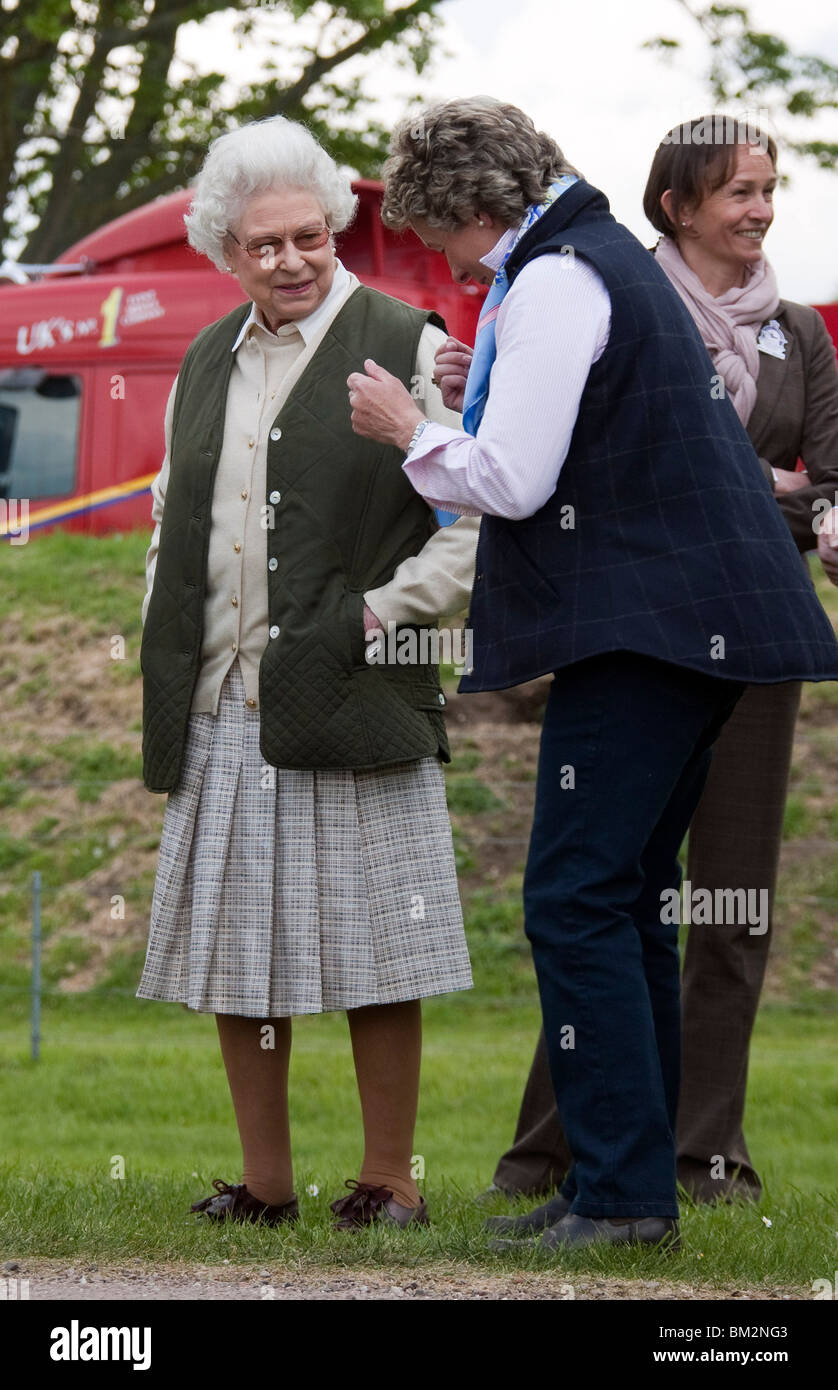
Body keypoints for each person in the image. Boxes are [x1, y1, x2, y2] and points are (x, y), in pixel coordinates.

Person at [347, 96, 838, 1253]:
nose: (444, 259)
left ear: (477, 207)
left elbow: (509, 480)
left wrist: (404, 424)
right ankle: (623, 1185)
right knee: (625, 901)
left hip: (647, 629)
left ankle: (620, 1194)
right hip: (694, 622)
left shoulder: (558, 278)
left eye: (440, 235)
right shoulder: (597, 260)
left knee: (574, 899)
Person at [483, 115, 838, 1216]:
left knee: (724, 902)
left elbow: (825, 479)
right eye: (737, 190)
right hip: (632, 626)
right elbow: (567, 446)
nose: (761, 209)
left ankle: (701, 1159)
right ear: (675, 204)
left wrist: (787, 490)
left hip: (752, 633)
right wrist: (760, 484)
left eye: (768, 189)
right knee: (608, 892)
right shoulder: (606, 292)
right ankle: (555, 1157)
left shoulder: (797, 334)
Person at [136, 114, 480, 1232]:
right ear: (224, 252)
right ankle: (267, 1184)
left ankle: (392, 1182)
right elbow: (168, 520)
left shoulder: (410, 341)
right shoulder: (203, 362)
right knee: (246, 962)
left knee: (381, 950)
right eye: (261, 244)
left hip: (360, 688)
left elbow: (475, 515)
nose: (288, 260)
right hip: (224, 700)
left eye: (306, 237)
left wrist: (386, 613)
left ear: (335, 225)